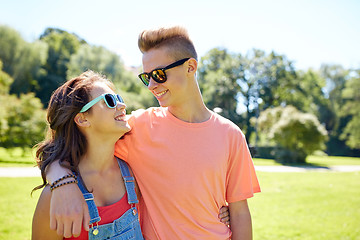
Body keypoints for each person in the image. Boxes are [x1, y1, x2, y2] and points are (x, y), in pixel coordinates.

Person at [46, 26, 260, 239]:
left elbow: (239, 213)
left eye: (158, 75)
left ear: (190, 67)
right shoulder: (137, 127)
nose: (151, 85)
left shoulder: (231, 135)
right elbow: (67, 144)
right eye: (146, 77)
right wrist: (62, 183)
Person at [32, 71, 144, 239]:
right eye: (110, 101)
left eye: (119, 98)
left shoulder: (135, 174)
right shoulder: (54, 197)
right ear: (83, 119)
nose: (122, 106)